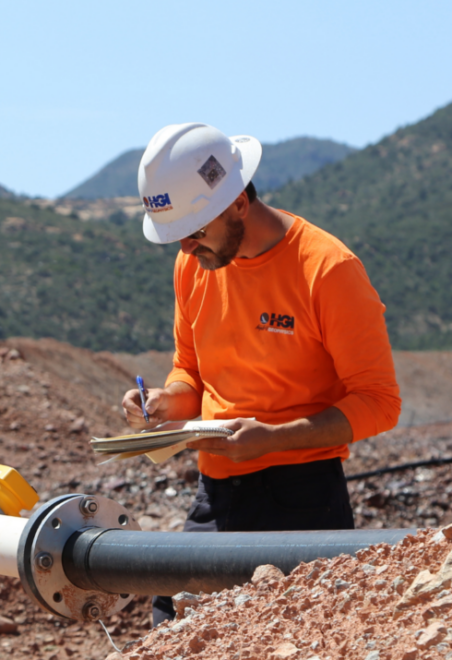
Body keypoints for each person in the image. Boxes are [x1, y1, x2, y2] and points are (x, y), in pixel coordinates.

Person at [121, 123, 401, 625]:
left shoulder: (328, 269)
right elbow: (191, 372)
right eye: (178, 238)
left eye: (196, 232)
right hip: (216, 491)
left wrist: (274, 438)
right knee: (173, 631)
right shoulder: (195, 265)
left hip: (305, 502)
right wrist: (165, 402)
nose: (186, 249)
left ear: (239, 204)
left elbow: (379, 401)